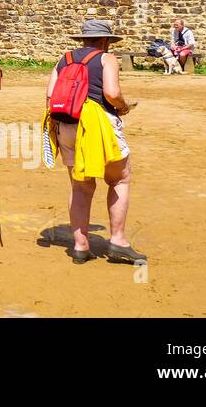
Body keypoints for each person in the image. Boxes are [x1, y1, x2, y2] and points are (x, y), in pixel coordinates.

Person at [46, 19, 145, 265]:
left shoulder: (65, 59)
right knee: (119, 178)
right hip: (95, 122)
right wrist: (123, 107)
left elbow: (50, 95)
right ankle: (118, 241)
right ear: (104, 41)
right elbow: (111, 93)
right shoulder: (106, 58)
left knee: (80, 186)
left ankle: (80, 246)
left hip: (66, 124)